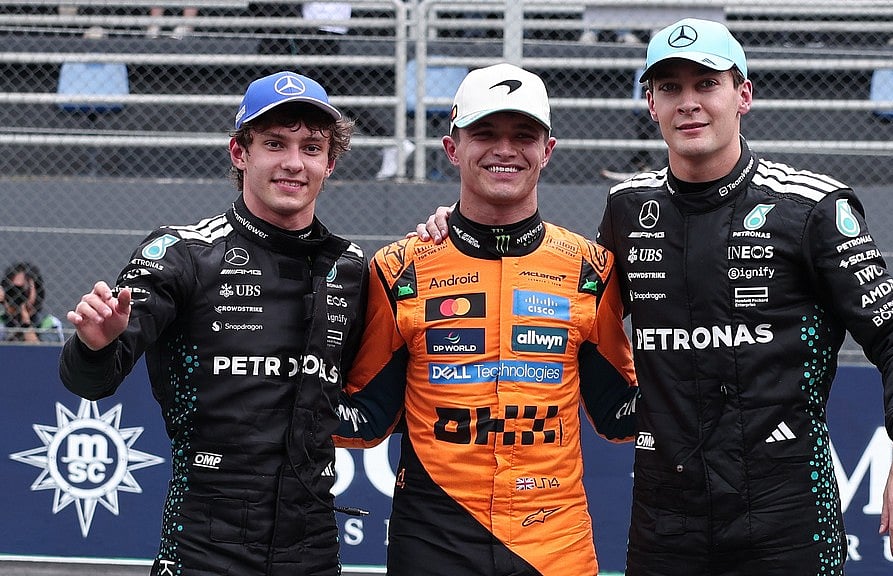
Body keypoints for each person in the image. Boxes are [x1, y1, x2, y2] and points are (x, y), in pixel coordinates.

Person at [418, 18, 893, 575]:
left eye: (706, 84)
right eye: (670, 87)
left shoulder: (811, 207)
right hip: (665, 523)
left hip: (786, 518)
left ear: (743, 95)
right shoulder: (627, 208)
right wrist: (467, 234)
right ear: (651, 104)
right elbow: (564, 299)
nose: (688, 102)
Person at [333, 63, 639, 576]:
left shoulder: (591, 269)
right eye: (484, 134)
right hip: (434, 541)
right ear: (452, 148)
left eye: (523, 136)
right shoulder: (398, 268)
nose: (505, 149)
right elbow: (367, 419)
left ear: (547, 150)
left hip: (554, 544)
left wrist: (718, 369)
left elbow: (616, 415)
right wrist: (267, 395)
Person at [59, 70, 368, 576]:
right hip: (203, 546)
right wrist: (94, 344)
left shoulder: (351, 267)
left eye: (311, 148)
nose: (294, 163)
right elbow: (90, 382)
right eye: (275, 144)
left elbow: (373, 390)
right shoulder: (181, 254)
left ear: (329, 163)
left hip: (313, 546)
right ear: (239, 153)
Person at [1, 261, 64, 343]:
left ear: (36, 290)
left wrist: (26, 323)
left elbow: (42, 351)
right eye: (13, 290)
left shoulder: (49, 323)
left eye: (23, 289)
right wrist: (8, 307)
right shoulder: (1, 321)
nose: (18, 294)